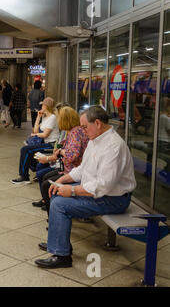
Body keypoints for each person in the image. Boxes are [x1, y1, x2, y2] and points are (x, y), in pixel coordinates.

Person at [34, 106, 136, 269]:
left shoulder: (113, 146)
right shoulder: (96, 140)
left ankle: (62, 256)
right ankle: (59, 243)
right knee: (56, 191)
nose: (82, 130)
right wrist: (62, 180)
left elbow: (103, 185)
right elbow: (82, 169)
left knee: (60, 204)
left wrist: (72, 190)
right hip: (100, 192)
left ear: (97, 123)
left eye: (84, 127)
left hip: (114, 199)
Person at [32, 107, 89, 211]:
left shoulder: (75, 133)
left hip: (72, 170)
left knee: (46, 183)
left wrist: (61, 151)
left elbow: (72, 156)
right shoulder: (74, 131)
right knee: (44, 176)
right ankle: (48, 202)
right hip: (68, 168)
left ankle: (52, 212)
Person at [11, 97, 59, 185]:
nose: (41, 107)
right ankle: (37, 170)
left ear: (46, 106)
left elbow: (45, 135)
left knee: (25, 150)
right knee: (27, 150)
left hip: (52, 145)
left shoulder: (52, 117)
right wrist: (38, 117)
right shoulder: (45, 117)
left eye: (42, 105)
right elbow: (35, 130)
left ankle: (24, 177)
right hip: (45, 143)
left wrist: (35, 135)